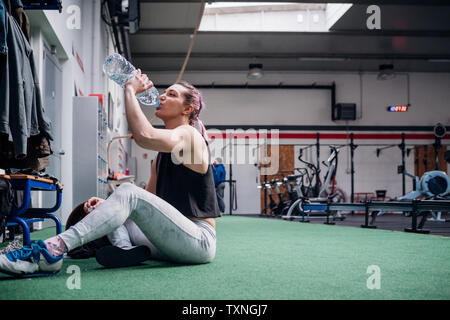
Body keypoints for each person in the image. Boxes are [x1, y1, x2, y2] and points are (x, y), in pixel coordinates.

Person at [0, 70, 221, 278]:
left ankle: (50, 251)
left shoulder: (190, 136)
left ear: (187, 109)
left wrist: (129, 90)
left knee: (127, 192)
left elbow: (144, 135)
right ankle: (126, 249)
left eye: (171, 95)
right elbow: (147, 203)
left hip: (197, 241)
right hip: (171, 241)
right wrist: (110, 204)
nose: (162, 96)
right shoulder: (159, 157)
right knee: (121, 204)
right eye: (164, 92)